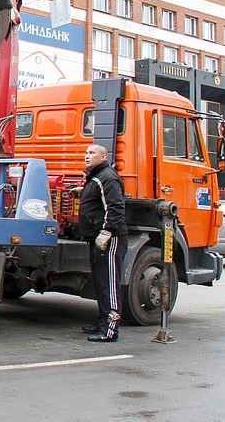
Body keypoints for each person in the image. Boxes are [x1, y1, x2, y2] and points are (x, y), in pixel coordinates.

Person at [78, 143, 128, 342]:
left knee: (110, 284)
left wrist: (106, 232)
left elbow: (115, 207)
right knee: (100, 283)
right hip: (96, 238)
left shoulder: (107, 177)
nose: (87, 156)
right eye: (86, 153)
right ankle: (102, 323)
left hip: (110, 239)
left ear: (103, 157)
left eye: (92, 153)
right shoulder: (95, 178)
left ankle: (110, 330)